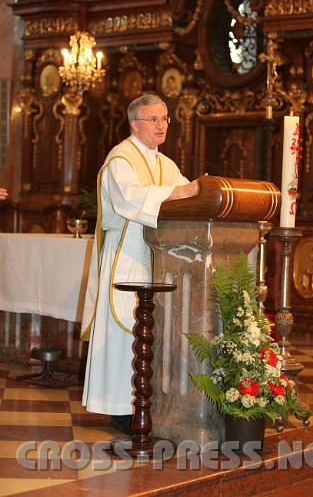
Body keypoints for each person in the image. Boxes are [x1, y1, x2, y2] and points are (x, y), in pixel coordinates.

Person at [81, 94, 198, 432]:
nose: (161, 125)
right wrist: (176, 194)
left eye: (165, 119)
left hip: (158, 258)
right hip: (127, 257)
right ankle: (122, 408)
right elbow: (129, 198)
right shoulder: (121, 158)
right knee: (124, 332)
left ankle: (150, 403)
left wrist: (194, 192)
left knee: (151, 330)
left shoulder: (166, 164)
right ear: (135, 123)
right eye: (154, 119)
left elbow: (185, 193)